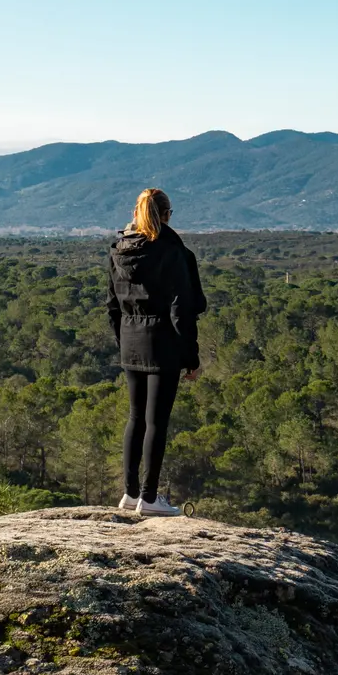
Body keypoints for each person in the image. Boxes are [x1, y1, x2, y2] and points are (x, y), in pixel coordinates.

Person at [106, 188, 206, 517]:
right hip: (162, 342)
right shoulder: (171, 252)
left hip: (131, 341)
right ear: (165, 214)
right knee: (156, 423)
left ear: (137, 213)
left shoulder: (119, 249)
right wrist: (190, 356)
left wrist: (124, 343)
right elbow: (182, 310)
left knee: (135, 419)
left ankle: (130, 494)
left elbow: (112, 306)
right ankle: (149, 498)